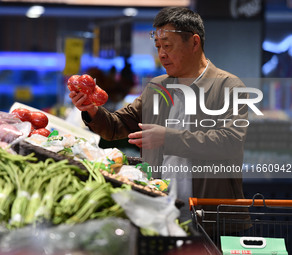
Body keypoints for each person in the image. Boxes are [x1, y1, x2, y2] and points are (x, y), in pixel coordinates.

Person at [69, 6, 249, 233]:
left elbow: (230, 143)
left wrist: (167, 138)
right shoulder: (158, 88)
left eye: (168, 46)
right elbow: (116, 127)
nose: (161, 54)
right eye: (158, 47)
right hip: (161, 211)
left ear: (194, 43)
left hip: (213, 217)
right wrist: (91, 110)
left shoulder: (228, 86)